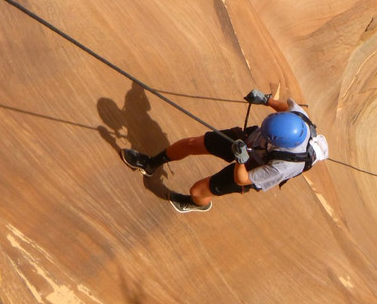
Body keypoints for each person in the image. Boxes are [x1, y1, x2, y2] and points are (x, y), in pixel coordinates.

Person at [122, 89, 327, 213]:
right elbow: (284, 107)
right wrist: (265, 100)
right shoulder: (297, 117)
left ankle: (199, 205)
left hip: (252, 165)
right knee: (193, 143)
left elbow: (243, 180)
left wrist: (240, 160)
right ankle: (150, 163)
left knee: (198, 190)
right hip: (248, 140)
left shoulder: (284, 166)